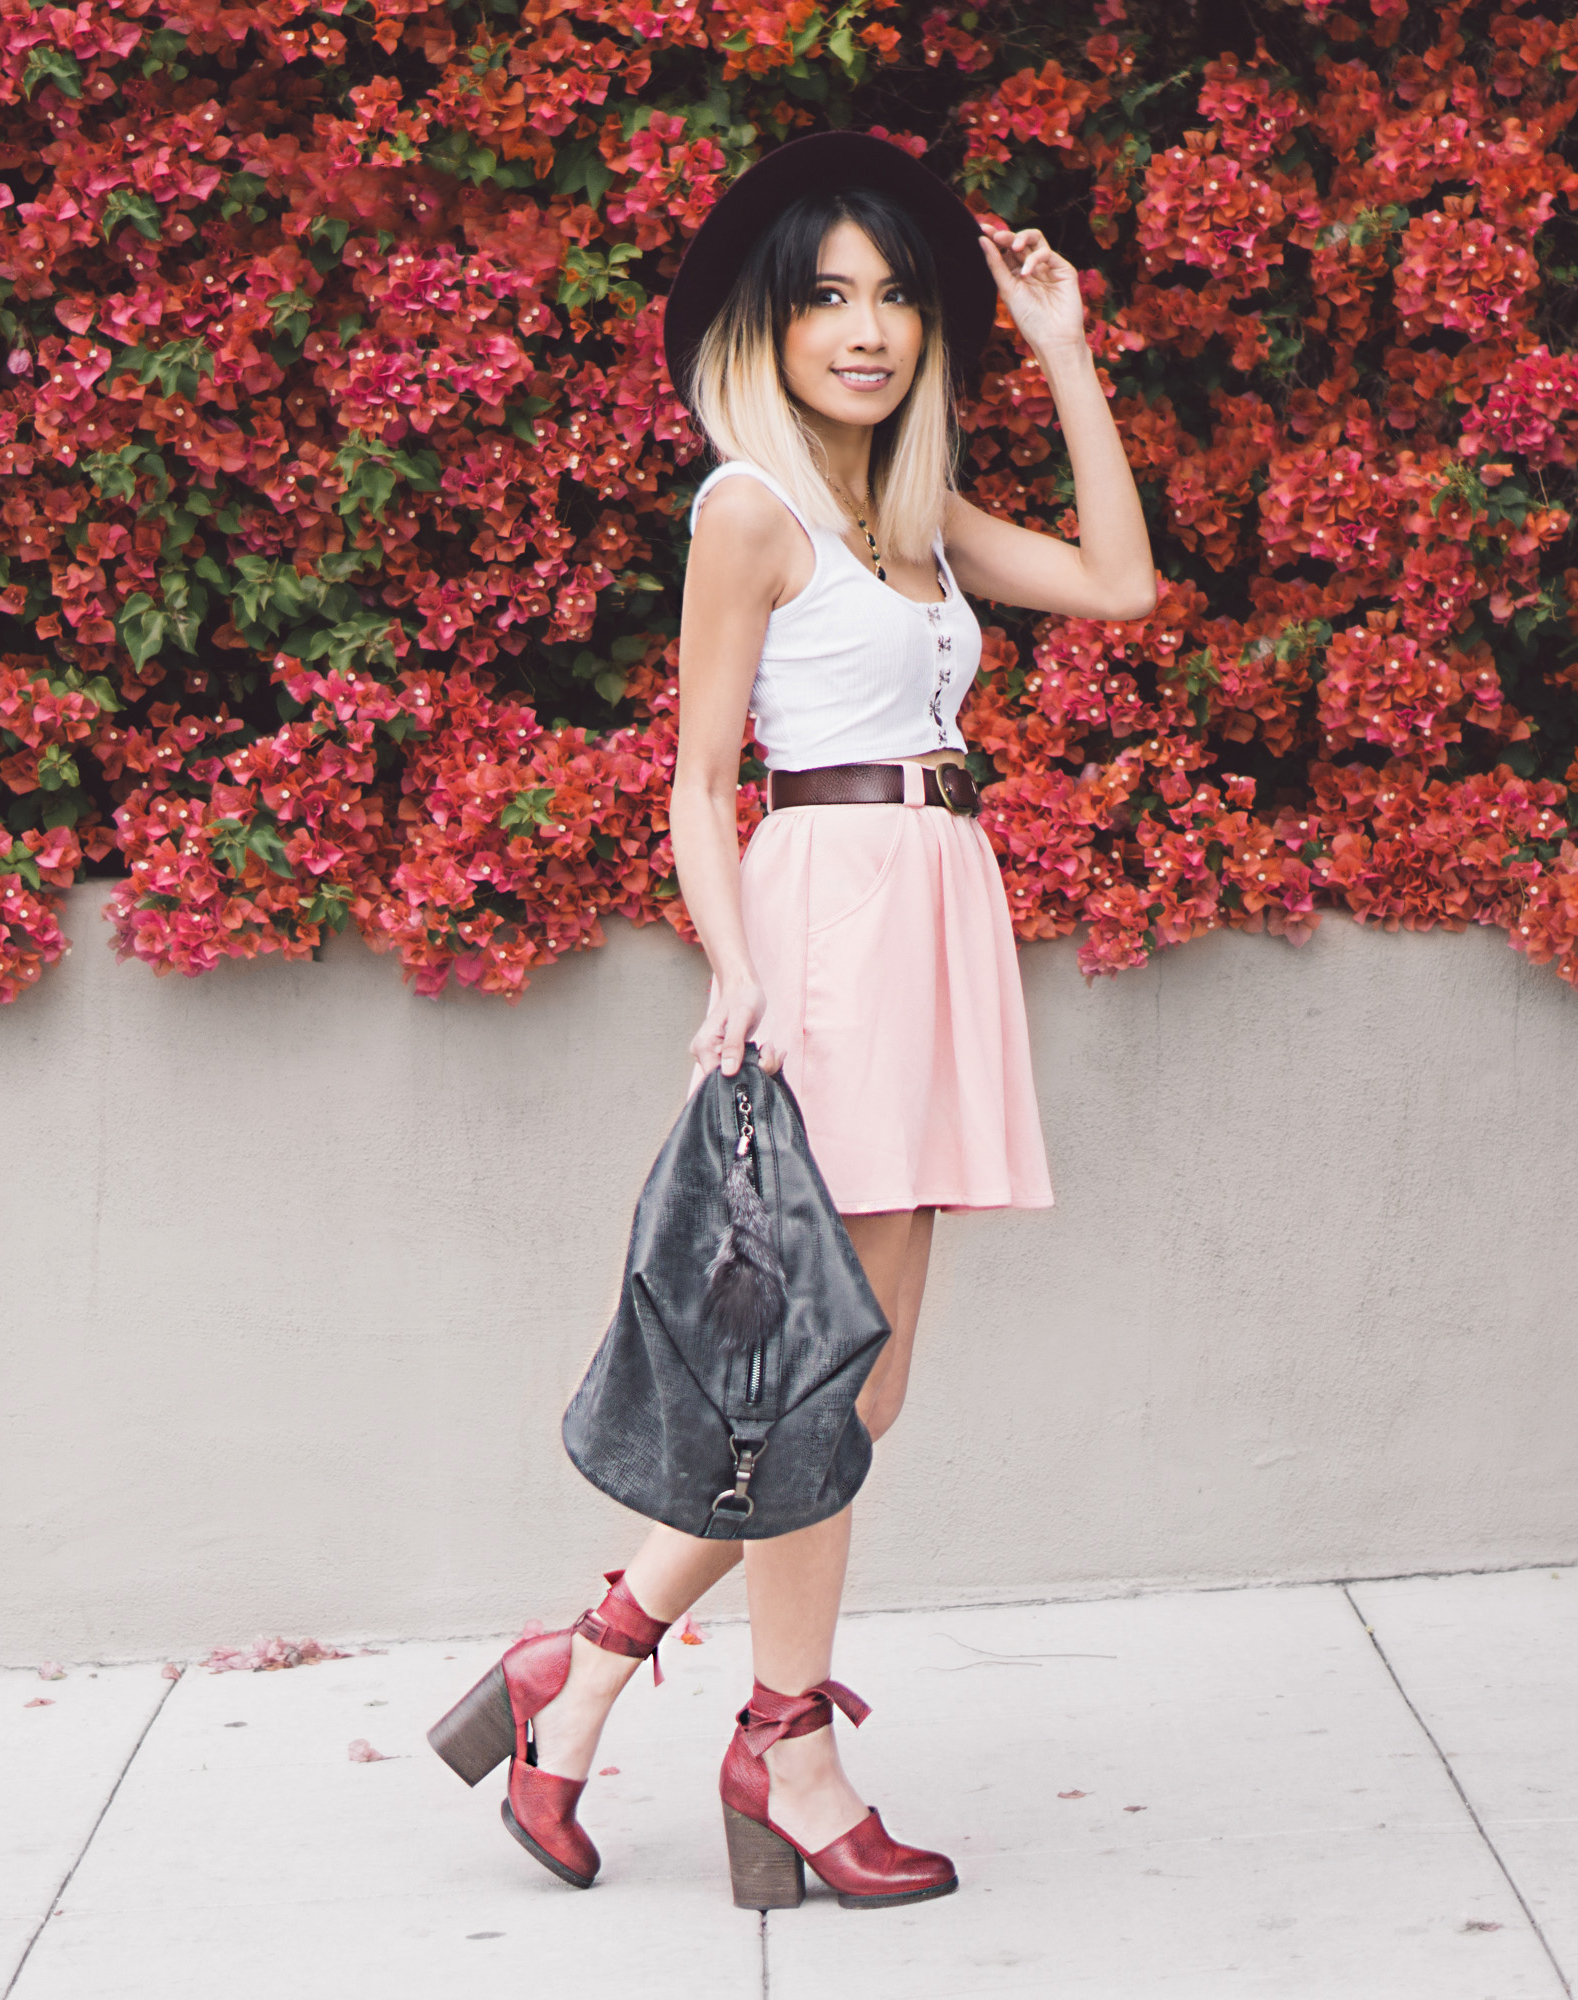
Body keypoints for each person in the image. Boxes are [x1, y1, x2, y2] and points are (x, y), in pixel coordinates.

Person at [428, 131, 1157, 1910]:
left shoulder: (905, 520)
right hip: (829, 919)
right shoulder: (748, 506)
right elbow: (696, 782)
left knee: (863, 1385)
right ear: (768, 320)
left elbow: (1122, 585)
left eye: (896, 297)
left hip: (938, 912)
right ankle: (787, 1744)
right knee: (821, 1385)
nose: (868, 327)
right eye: (830, 295)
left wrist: (1057, 344)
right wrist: (735, 963)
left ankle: (580, 1669)